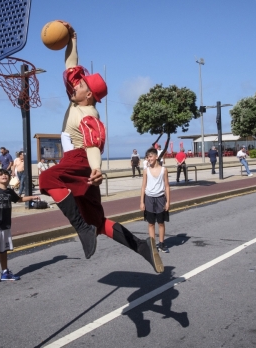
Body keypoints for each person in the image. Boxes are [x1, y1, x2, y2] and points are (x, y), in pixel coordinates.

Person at [38, 22, 163, 273]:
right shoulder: (78, 100)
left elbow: (93, 145)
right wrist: (73, 39)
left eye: (81, 86)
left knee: (46, 178)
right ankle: (143, 248)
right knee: (98, 221)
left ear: (89, 95)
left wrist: (96, 169)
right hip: (80, 165)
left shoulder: (86, 112)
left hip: (79, 160)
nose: (75, 86)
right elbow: (71, 65)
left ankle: (81, 228)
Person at [0, 169, 40, 281]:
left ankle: (5, 272)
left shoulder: (10, 191)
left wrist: (32, 197)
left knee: (3, 250)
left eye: (6, 174)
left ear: (9, 177)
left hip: (5, 225)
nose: (4, 176)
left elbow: (19, 199)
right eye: (1, 175)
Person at [140, 147, 170, 253]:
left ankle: (161, 244)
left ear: (156, 157)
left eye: (151, 156)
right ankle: (153, 245)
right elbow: (143, 186)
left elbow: (166, 186)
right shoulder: (146, 171)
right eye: (147, 157)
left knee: (161, 222)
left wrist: (168, 202)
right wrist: (142, 202)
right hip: (149, 198)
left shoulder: (164, 170)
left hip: (160, 198)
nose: (149, 159)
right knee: (151, 223)